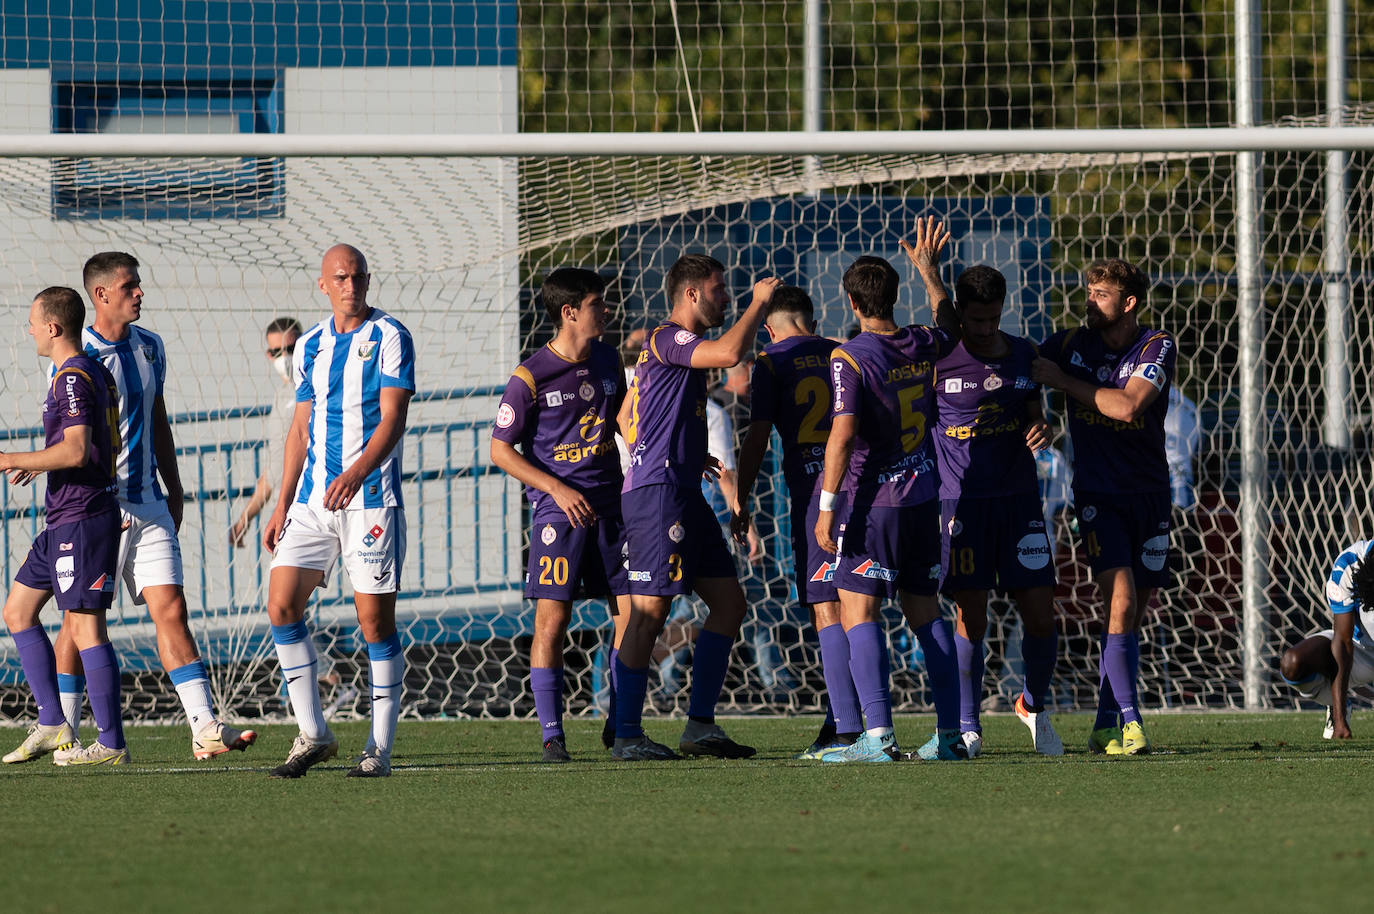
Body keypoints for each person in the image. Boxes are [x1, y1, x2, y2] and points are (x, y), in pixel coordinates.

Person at [47, 252, 256, 762]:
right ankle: (63, 731)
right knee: (79, 623)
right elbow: (65, 433)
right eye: (129, 286)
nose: (139, 293)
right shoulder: (79, 358)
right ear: (101, 296)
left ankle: (205, 727)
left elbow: (157, 417)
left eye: (138, 284)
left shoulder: (150, 346)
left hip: (149, 503)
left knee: (171, 609)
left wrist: (175, 484)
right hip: (98, 507)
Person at [611, 253, 780, 761]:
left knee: (729, 604)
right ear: (691, 295)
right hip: (658, 494)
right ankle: (625, 735)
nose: (726, 296)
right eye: (719, 288)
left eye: (729, 290)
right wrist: (758, 304)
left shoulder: (671, 351)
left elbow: (626, 416)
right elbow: (731, 352)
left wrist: (678, 445)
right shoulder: (667, 337)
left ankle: (699, 726)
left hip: (683, 488)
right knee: (650, 612)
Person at [813, 220, 964, 763]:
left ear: (852, 301)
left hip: (874, 505)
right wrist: (931, 272)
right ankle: (952, 736)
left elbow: (842, 434)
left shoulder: (849, 356)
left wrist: (827, 508)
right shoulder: (922, 342)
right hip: (925, 498)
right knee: (927, 613)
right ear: (894, 296)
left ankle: (877, 737)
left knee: (860, 613)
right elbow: (948, 322)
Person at [263, 244, 415, 778]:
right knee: (281, 605)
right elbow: (300, 430)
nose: (351, 285)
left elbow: (392, 420)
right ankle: (314, 733)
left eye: (358, 277)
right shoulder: (308, 346)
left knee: (374, 622)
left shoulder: (391, 336)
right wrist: (281, 503)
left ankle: (378, 748)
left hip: (369, 501)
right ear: (323, 284)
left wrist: (355, 474)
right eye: (341, 278)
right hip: (311, 502)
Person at [1033, 258, 1176, 756]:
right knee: (1119, 601)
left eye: (1101, 293)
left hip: (1152, 494)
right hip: (1097, 495)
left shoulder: (1156, 345)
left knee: (1132, 615)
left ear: (1129, 302)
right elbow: (1024, 371)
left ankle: (1102, 724)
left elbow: (1128, 405)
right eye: (1088, 291)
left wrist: (1064, 385)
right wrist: (1041, 418)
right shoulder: (1070, 344)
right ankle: (1132, 724)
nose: (1089, 300)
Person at [490, 267, 631, 762]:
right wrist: (555, 488)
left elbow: (624, 419)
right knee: (553, 620)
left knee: (630, 614)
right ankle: (553, 735)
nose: (607, 311)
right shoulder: (530, 375)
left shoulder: (611, 360)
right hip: (558, 511)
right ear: (570, 312)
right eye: (598, 303)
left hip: (613, 504)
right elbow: (501, 450)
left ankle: (623, 722)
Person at [929, 264, 1063, 757]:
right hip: (960, 504)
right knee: (973, 617)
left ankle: (1032, 704)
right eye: (977, 320)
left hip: (1019, 503)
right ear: (962, 313)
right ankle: (969, 724)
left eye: (993, 319)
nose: (986, 329)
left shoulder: (1024, 353)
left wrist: (1043, 427)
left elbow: (1035, 413)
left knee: (1041, 617)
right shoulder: (940, 356)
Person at [731, 284, 860, 758]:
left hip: (813, 497)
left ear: (769, 327)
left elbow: (758, 437)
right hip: (863, 491)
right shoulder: (845, 352)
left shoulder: (769, 362)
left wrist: (740, 502)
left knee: (825, 607)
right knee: (861, 608)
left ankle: (846, 728)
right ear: (812, 318)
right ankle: (848, 718)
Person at [1, 287, 128, 766]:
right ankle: (53, 722)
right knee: (17, 611)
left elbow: (76, 450)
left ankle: (113, 744)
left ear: (53, 327)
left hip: (84, 517)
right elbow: (78, 449)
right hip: (65, 517)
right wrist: (39, 463)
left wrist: (12, 457)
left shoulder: (72, 376)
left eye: (33, 322)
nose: (29, 330)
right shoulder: (84, 370)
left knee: (86, 627)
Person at [1280, 540, 1374, 740]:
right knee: (1292, 663)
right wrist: (1340, 721)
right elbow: (1343, 641)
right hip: (1361, 650)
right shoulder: (1348, 565)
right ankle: (1337, 707)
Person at [231, 317, 303, 547]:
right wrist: (246, 517)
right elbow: (274, 470)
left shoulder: (313, 389)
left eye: (291, 349)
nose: (285, 356)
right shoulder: (281, 396)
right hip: (285, 511)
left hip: (311, 505)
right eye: (278, 351)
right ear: (269, 355)